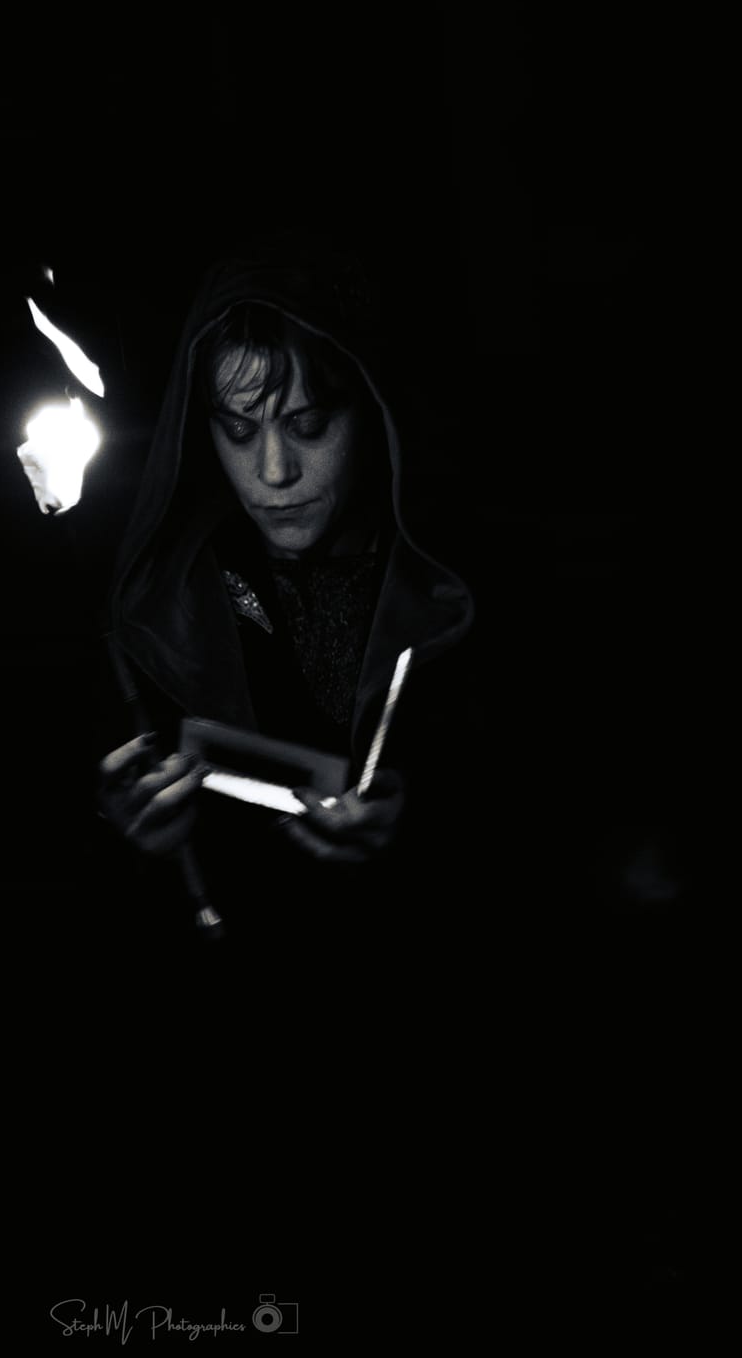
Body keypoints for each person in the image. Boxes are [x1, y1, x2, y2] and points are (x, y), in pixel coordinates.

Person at [92, 229, 478, 982]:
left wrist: (425, 824)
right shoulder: (168, 610)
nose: (273, 471)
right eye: (238, 430)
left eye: (308, 424)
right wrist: (129, 833)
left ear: (371, 409)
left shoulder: (451, 590)